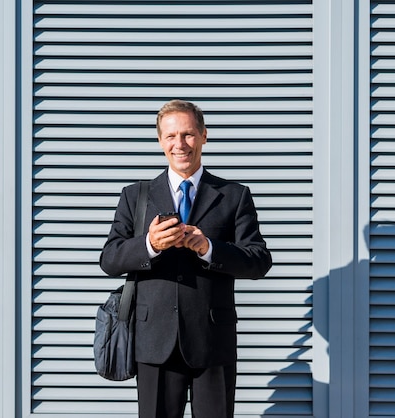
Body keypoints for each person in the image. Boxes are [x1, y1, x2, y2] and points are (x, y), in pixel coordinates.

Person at [100, 99, 272, 418]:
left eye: (189, 134)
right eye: (171, 136)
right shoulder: (135, 196)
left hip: (212, 341)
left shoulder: (234, 196)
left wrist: (208, 247)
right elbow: (109, 259)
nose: (180, 144)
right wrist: (150, 244)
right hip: (153, 342)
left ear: (204, 135)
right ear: (160, 141)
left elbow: (258, 260)